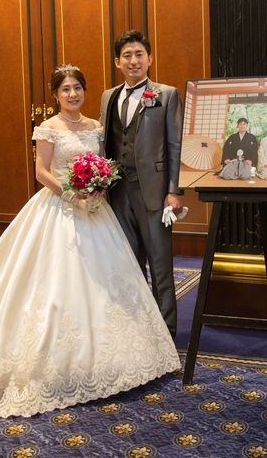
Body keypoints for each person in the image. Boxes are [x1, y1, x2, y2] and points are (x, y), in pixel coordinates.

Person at [0, 64, 180, 420]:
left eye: (77, 88)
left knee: (113, 281)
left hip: (96, 211)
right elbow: (41, 172)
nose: (72, 94)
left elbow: (104, 164)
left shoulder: (95, 126)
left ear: (84, 91)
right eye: (65, 89)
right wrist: (71, 193)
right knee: (54, 282)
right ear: (56, 95)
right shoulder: (48, 127)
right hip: (59, 209)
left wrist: (99, 186)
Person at [100, 30, 182, 340]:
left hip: (154, 191)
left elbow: (175, 146)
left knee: (160, 264)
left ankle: (166, 332)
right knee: (128, 262)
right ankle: (138, 330)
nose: (133, 61)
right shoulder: (108, 96)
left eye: (139, 55)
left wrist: (173, 191)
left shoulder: (167, 94)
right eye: (127, 56)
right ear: (117, 62)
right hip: (118, 190)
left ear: (150, 59)